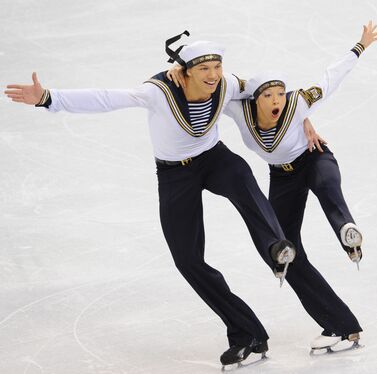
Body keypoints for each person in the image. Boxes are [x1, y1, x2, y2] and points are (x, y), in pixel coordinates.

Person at [4, 37, 297, 367]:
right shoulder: (159, 93)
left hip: (215, 160)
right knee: (187, 261)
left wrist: (303, 118)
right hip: (175, 175)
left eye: (216, 67)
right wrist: (47, 98)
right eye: (204, 68)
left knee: (244, 183)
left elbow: (269, 91)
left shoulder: (227, 84)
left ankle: (276, 248)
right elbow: (106, 99)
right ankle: (248, 333)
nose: (213, 75)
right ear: (184, 72)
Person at [168, 21, 377, 352]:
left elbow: (331, 78)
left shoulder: (298, 102)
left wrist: (360, 45)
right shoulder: (239, 110)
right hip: (282, 177)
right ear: (255, 100)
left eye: (280, 93)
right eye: (267, 95)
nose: (276, 99)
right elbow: (208, 83)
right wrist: (178, 70)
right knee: (285, 253)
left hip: (315, 158)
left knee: (330, 194)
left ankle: (346, 231)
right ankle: (341, 326)